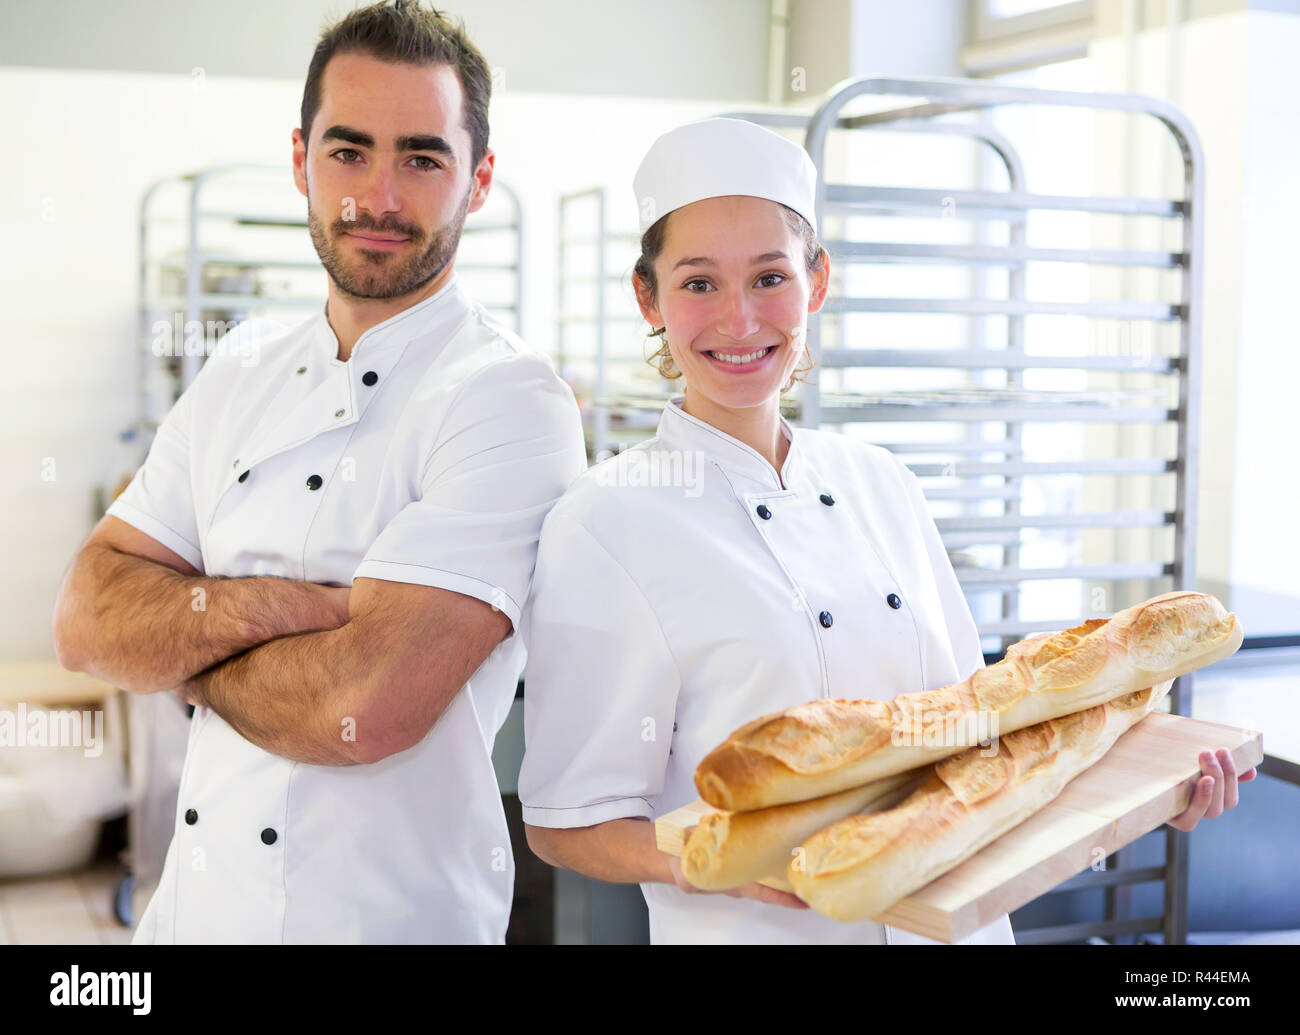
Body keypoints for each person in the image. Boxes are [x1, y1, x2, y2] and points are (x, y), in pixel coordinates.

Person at [516, 117, 1253, 945]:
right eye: (697, 284)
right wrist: (704, 860)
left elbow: (980, 727)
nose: (738, 318)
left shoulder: (881, 482)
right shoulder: (607, 520)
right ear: (648, 297)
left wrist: (1143, 790)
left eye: (769, 277)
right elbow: (564, 820)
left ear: (817, 282)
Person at [51, 1, 587, 943]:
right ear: (300, 159)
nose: (378, 197)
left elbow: (362, 706)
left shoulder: (509, 398)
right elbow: (87, 617)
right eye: (349, 151)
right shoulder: (240, 367)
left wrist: (190, 656)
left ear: (479, 178)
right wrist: (309, 616)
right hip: (194, 920)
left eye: (422, 158)